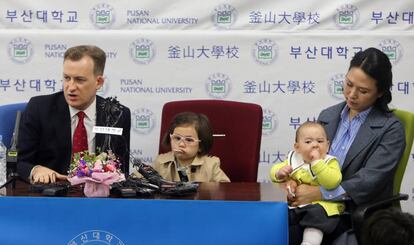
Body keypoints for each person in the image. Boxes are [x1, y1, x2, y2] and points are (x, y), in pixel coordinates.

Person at [287, 47, 406, 244]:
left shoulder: (391, 129)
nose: (351, 95)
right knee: (274, 225)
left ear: (380, 92)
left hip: (353, 210)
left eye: (363, 91)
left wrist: (319, 193)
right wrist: (295, 182)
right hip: (312, 208)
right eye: (349, 84)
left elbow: (369, 181)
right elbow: (308, 160)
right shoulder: (328, 116)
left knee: (292, 235)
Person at [17, 45, 131, 184]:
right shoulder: (39, 108)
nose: (70, 87)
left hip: (98, 196)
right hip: (51, 194)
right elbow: (20, 162)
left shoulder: (117, 114)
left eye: (79, 80)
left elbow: (120, 169)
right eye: (67, 78)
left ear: (98, 82)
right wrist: (36, 170)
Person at [270, 121, 344, 245]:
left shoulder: (329, 162)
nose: (315, 145)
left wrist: (317, 164)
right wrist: (279, 173)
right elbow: (273, 172)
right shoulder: (294, 160)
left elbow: (332, 182)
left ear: (327, 145)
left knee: (317, 216)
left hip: (322, 205)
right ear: (297, 147)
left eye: (320, 141)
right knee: (281, 213)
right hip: (297, 205)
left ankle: (310, 242)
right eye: (308, 142)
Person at [153, 111, 230, 182]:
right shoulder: (160, 162)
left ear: (201, 146)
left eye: (189, 140)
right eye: (177, 138)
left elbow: (224, 190)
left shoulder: (211, 165)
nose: (181, 144)